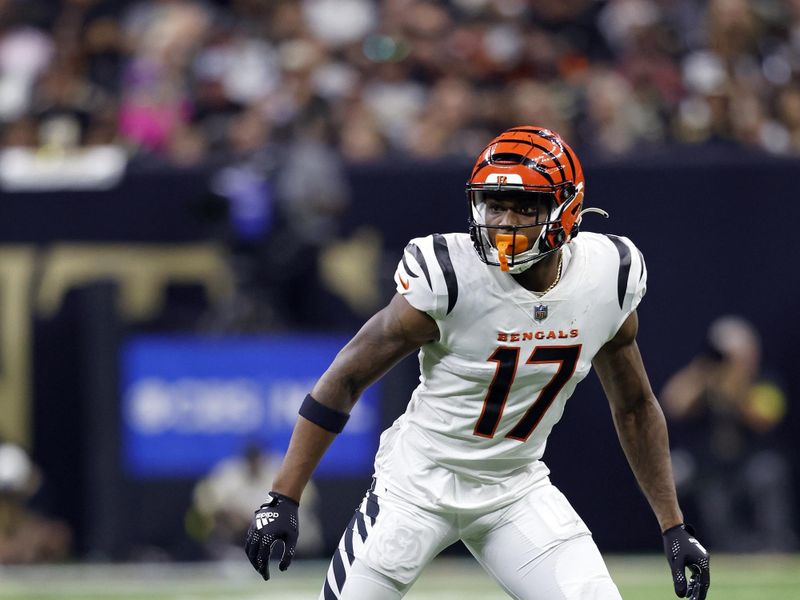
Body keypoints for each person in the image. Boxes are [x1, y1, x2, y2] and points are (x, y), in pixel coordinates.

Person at [244, 126, 711, 600]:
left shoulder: (608, 275)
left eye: (524, 206)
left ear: (566, 210)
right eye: (495, 204)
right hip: (417, 486)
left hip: (515, 487)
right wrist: (283, 496)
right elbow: (345, 378)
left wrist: (674, 526)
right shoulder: (450, 276)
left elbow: (634, 405)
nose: (505, 221)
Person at [662, 316, 796, 552]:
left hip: (751, 462)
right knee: (673, 473)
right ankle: (685, 544)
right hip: (712, 464)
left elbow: (765, 418)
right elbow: (672, 404)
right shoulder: (706, 381)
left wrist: (736, 387)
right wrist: (701, 372)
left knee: (768, 472)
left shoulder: (765, 381)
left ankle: (775, 545)